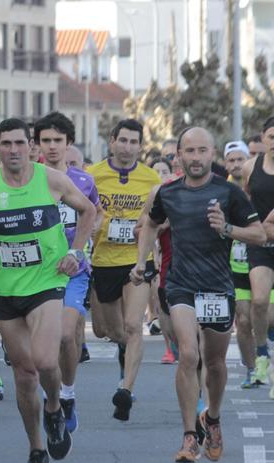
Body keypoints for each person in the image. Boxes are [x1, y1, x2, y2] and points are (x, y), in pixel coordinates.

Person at [0, 117, 95, 463]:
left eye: (19, 143)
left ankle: (56, 407)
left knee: (45, 361)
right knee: (24, 375)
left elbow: (89, 211)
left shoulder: (51, 180)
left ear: (30, 146)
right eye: (6, 144)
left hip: (47, 283)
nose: (13, 150)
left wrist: (76, 253)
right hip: (5, 291)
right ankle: (36, 450)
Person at [132, 126, 266, 462]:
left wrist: (226, 229)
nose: (195, 158)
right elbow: (150, 223)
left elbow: (260, 234)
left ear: (212, 155)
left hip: (218, 287)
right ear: (178, 155)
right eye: (189, 151)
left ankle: (214, 418)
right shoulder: (168, 192)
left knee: (216, 363)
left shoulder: (229, 193)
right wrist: (141, 261)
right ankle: (190, 434)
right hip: (181, 285)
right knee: (189, 355)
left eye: (202, 151)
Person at [88, 119, 161, 421]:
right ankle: (123, 352)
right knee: (108, 330)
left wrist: (145, 226)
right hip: (103, 260)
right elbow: (83, 211)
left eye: (134, 142)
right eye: (123, 140)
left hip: (137, 261)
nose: (128, 147)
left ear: (141, 146)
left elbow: (162, 219)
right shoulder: (92, 176)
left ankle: (125, 390)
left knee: (133, 326)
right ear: (112, 141)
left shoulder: (152, 179)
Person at [35, 112, 102, 433]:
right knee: (43, 347)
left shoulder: (83, 182)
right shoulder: (28, 180)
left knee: (65, 334)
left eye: (57, 141)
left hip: (74, 271)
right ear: (37, 144)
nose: (51, 147)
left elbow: (94, 215)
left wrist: (78, 249)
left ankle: (68, 393)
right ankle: (51, 394)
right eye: (45, 140)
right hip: (35, 273)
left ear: (68, 144)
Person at [240, 117, 274, 398]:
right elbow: (245, 198)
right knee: (259, 301)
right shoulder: (251, 167)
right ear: (263, 139)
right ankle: (261, 354)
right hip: (260, 245)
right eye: (271, 136)